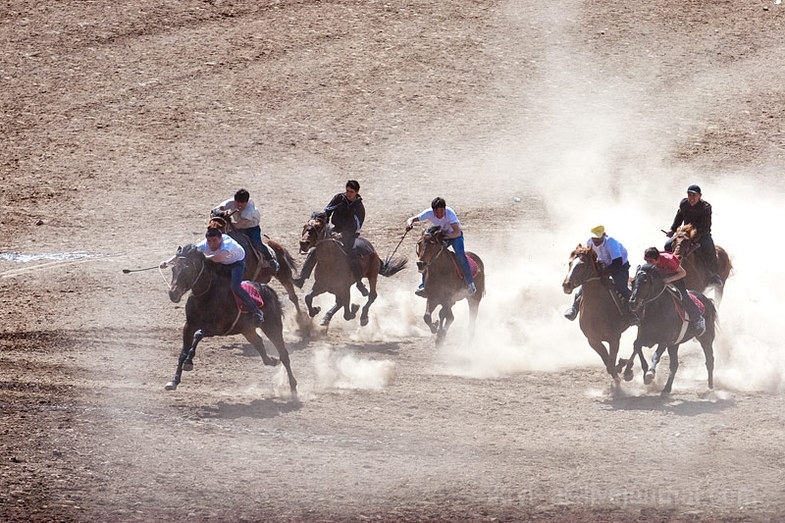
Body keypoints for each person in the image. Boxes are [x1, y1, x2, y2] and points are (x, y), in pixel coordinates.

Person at [160, 228, 264, 325]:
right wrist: (167, 262)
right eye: (209, 241)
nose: (211, 244)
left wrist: (202, 257)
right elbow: (184, 254)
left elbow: (219, 257)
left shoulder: (227, 244)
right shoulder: (205, 244)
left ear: (221, 238)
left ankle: (255, 311)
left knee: (235, 286)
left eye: (214, 240)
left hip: (236, 264)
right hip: (220, 263)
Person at [293, 180, 367, 293]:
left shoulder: (359, 208)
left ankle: (359, 282)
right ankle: (302, 278)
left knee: (352, 253)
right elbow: (327, 212)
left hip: (349, 234)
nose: (348, 194)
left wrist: (342, 234)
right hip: (335, 229)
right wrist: (321, 222)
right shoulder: (339, 198)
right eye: (347, 191)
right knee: (315, 250)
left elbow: (356, 226)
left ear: (356, 192)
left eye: (351, 192)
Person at [564, 225, 638, 325]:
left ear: (603, 235)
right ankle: (574, 308)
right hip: (602, 265)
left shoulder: (611, 243)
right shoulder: (590, 242)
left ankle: (632, 313)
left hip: (619, 266)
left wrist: (606, 273)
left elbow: (617, 262)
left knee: (621, 287)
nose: (595, 240)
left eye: (597, 237)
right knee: (586, 284)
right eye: (594, 237)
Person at [405, 197, 476, 296]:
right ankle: (424, 285)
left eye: (442, 211)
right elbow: (411, 219)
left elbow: (457, 232)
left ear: (445, 209)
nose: (439, 214)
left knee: (460, 255)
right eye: (437, 212)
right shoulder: (428, 212)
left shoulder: (450, 214)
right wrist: (409, 224)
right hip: (442, 236)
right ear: (433, 211)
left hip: (455, 236)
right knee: (427, 256)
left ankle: (470, 283)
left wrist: (447, 236)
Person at [664, 184, 721, 286]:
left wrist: (694, 236)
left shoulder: (705, 207)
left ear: (700, 196)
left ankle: (714, 274)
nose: (692, 198)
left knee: (709, 247)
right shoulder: (684, 203)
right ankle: (668, 268)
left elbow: (706, 226)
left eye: (694, 195)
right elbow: (679, 216)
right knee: (668, 244)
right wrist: (672, 230)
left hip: (701, 234)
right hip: (685, 233)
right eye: (690, 195)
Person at [212, 188, 279, 273]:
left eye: (242, 203)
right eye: (237, 202)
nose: (239, 205)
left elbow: (238, 225)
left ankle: (270, 260)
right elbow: (217, 209)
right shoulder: (231, 202)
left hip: (251, 229)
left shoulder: (249, 210)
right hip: (238, 228)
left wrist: (228, 223)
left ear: (246, 202)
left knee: (257, 243)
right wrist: (218, 213)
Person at [644, 246, 705, 335]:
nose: (648, 264)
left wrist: (669, 280)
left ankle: (698, 318)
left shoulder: (669, 260)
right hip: (661, 276)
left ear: (657, 259)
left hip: (675, 277)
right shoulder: (651, 261)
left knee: (683, 296)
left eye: (651, 261)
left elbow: (683, 273)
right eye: (646, 261)